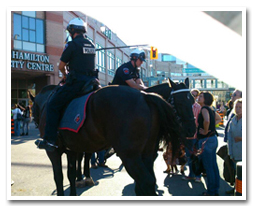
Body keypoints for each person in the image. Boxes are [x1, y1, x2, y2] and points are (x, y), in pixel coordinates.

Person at [35, 17, 99, 152]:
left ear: (72, 31)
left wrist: (64, 75)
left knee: (52, 104)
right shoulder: (91, 45)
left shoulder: (72, 45)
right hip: (92, 83)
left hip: (77, 84)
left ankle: (50, 140)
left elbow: (62, 66)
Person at [197, 91, 222, 196]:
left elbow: (206, 120)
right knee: (213, 166)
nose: (198, 97)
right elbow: (218, 119)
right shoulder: (211, 109)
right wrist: (211, 127)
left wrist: (206, 130)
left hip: (206, 139)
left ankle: (211, 192)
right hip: (212, 139)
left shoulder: (204, 109)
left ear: (206, 99)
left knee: (209, 167)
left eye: (201, 96)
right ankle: (215, 189)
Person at [182, 89, 202, 182]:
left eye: (194, 95)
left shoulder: (198, 107)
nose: (192, 97)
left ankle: (198, 175)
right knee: (189, 156)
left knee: (196, 157)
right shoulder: (185, 106)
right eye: (191, 95)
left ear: (197, 96)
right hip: (186, 136)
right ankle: (191, 174)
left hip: (195, 136)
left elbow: (200, 121)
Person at [226, 98, 242, 195]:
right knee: (237, 173)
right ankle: (236, 189)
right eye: (236, 107)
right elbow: (229, 138)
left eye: (240, 107)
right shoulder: (233, 120)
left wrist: (241, 138)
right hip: (235, 152)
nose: (238, 109)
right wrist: (230, 153)